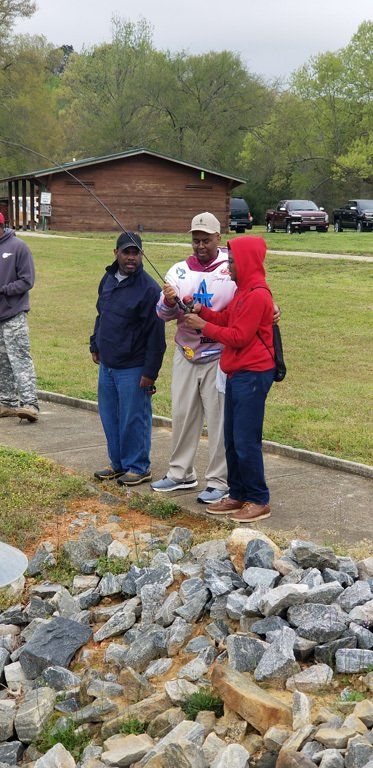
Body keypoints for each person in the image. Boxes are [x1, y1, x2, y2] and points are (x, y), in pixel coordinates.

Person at [185, 235, 276, 523]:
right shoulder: (243, 290)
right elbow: (228, 320)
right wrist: (204, 312)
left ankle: (258, 499)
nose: (230, 267)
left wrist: (203, 326)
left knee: (246, 440)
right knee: (232, 437)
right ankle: (237, 493)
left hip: (253, 373)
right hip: (237, 372)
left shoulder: (258, 294)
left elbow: (239, 337)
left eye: (234, 262)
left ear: (247, 263)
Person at [151, 212, 238, 504]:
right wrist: (168, 301)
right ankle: (181, 473)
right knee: (183, 413)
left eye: (206, 240)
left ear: (218, 238)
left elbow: (250, 302)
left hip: (219, 354)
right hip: (186, 352)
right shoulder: (178, 271)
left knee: (218, 418)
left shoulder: (231, 268)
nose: (200, 246)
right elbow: (161, 315)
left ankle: (219, 480)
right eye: (195, 240)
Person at [90, 232, 166, 486]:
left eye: (136, 253)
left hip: (134, 367)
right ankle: (118, 463)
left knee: (134, 418)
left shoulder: (149, 289)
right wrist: (95, 343)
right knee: (110, 417)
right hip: (108, 364)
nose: (131, 258)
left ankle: (138, 466)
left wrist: (150, 373)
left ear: (142, 255)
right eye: (126, 252)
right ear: (116, 253)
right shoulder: (108, 279)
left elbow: (157, 337)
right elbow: (101, 314)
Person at [0, 212, 39, 422]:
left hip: (14, 313)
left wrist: (3, 290)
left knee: (20, 359)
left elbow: (27, 281)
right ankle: (6, 402)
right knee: (2, 361)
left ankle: (30, 404)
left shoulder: (18, 247)